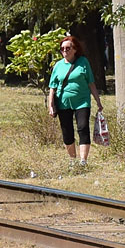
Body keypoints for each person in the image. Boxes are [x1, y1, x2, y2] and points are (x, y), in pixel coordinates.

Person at [47, 35, 104, 166]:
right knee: (67, 131)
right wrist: (51, 105)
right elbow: (52, 87)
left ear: (75, 49)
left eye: (68, 48)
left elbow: (91, 83)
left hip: (82, 101)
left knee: (83, 127)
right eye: (62, 48)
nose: (64, 51)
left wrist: (98, 101)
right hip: (63, 102)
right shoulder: (58, 66)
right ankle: (72, 160)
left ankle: (83, 160)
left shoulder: (83, 62)